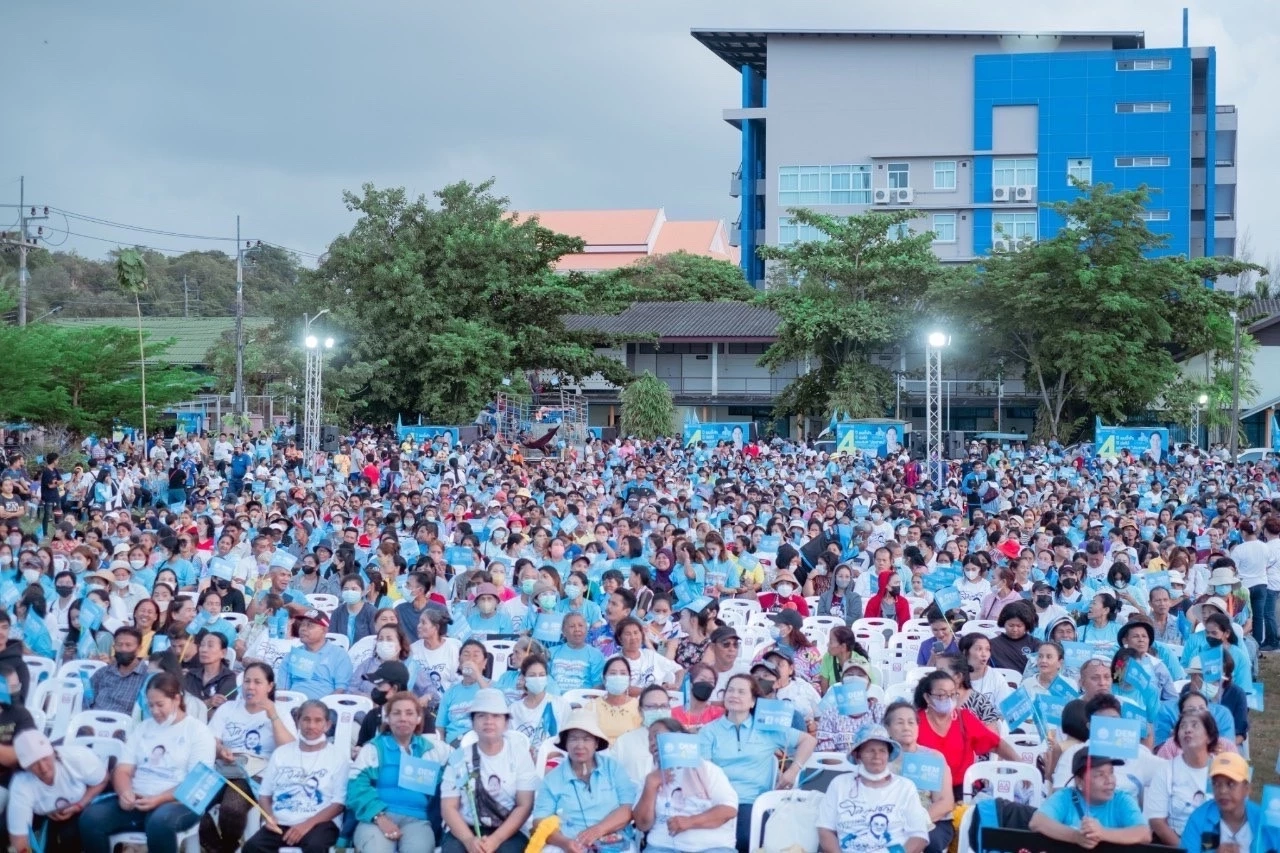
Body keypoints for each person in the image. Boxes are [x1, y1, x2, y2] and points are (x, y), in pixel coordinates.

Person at [79, 672, 215, 853]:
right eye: (150, 705)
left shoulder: (197, 731)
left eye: (160, 704)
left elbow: (195, 783)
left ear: (176, 699)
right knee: (91, 818)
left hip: (178, 802)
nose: (154, 711)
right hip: (138, 797)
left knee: (159, 823)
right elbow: (123, 770)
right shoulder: (143, 728)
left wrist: (159, 799)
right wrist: (124, 792)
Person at [698, 672, 816, 850]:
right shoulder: (709, 731)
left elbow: (809, 740)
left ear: (753, 701)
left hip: (752, 801)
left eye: (741, 692)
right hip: (718, 800)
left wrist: (792, 771)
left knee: (744, 838)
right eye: (730, 690)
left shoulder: (767, 728)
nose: (734, 695)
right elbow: (703, 772)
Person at [203, 662, 297, 853]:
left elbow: (289, 750)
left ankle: (227, 847)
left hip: (256, 773)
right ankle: (217, 847)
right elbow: (211, 739)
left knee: (232, 808)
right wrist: (220, 749)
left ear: (269, 686)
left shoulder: (280, 712)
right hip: (223, 767)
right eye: (246, 681)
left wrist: (273, 716)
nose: (250, 687)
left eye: (257, 682)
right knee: (188, 801)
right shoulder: (229, 708)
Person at [348, 690, 452, 853]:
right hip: (377, 818)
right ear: (387, 719)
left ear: (418, 719)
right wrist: (379, 817)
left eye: (409, 713)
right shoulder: (373, 748)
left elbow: (465, 761)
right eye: (396, 713)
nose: (403, 718)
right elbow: (356, 786)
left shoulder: (433, 749)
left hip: (418, 821)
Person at [240, 698, 348, 853]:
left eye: (318, 721)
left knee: (314, 847)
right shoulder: (282, 753)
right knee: (252, 847)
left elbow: (338, 804)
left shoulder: (337, 756)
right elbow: (264, 795)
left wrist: (306, 826)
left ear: (327, 725)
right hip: (280, 821)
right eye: (306, 719)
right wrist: (269, 817)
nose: (311, 726)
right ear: (298, 721)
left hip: (320, 823)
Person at [440, 688, 536, 853]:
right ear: (473, 722)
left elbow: (524, 805)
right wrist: (469, 840)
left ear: (506, 723)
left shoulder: (519, 756)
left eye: (496, 716)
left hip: (508, 831)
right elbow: (449, 806)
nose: (488, 721)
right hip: (465, 829)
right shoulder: (458, 758)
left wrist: (495, 840)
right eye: (481, 716)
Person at [532, 707, 637, 853]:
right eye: (573, 738)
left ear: (596, 743)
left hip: (613, 841)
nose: (579, 745)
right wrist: (564, 843)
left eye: (586, 739)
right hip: (569, 843)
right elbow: (539, 821)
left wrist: (599, 830)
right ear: (566, 744)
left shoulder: (613, 768)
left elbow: (628, 809)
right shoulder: (552, 779)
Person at [817, 724, 930, 853]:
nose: (877, 756)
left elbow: (919, 836)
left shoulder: (905, 787)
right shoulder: (839, 784)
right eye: (870, 750)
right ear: (857, 755)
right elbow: (825, 830)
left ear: (889, 754)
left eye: (882, 750)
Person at [634, 717, 739, 853]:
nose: (653, 743)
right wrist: (651, 785)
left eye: (657, 736)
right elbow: (642, 825)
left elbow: (728, 810)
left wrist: (690, 821)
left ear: (679, 737)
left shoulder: (709, 770)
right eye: (650, 740)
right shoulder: (650, 776)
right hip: (662, 846)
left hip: (712, 847)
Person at [912, 670, 1018, 800]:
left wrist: (1021, 765)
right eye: (941, 695)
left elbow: (996, 745)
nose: (948, 699)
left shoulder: (964, 718)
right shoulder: (914, 721)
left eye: (952, 694)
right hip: (926, 791)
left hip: (963, 790)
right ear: (927, 697)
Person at [6, 729, 109, 853]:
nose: (43, 768)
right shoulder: (21, 783)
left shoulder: (78, 758)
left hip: (80, 804)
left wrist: (80, 805)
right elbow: (19, 836)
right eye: (33, 763)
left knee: (68, 836)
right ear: (25, 766)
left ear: (52, 752)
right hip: (41, 814)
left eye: (45, 758)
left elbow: (103, 780)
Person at [1029, 750, 1153, 846]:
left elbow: (1144, 833)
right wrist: (1075, 837)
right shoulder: (1065, 797)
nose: (1109, 780)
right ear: (1079, 781)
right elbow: (1037, 822)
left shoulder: (1122, 800)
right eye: (1100, 775)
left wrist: (1102, 833)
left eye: (1111, 772)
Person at [884, 702, 956, 853]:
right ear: (887, 728)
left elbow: (945, 802)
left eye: (911, 722)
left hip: (932, 820)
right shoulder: (881, 760)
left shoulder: (933, 757)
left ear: (917, 727)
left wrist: (915, 823)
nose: (906, 727)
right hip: (890, 820)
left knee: (926, 841)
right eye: (899, 722)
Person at [1180, 752, 1280, 853]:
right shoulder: (1198, 819)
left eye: (1230, 784)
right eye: (1216, 784)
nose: (1222, 791)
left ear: (1247, 789)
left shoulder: (1265, 822)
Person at [1145, 709, 1218, 845]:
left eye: (1194, 725)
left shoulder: (1223, 770)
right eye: (1183, 726)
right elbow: (1157, 821)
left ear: (1210, 736)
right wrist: (1185, 849)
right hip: (1176, 844)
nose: (1187, 730)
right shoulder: (1166, 770)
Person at [278, 609, 352, 700]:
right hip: (293, 708)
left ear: (324, 630)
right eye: (302, 624)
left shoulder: (339, 655)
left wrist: (319, 708)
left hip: (325, 709)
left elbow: (341, 690)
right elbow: (282, 690)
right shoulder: (292, 655)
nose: (303, 629)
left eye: (310, 625)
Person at [506, 654, 570, 753]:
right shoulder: (513, 709)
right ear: (523, 678)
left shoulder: (561, 704)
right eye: (532, 675)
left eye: (541, 675)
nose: (537, 678)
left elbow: (567, 740)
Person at [436, 639, 492, 743]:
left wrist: (477, 676)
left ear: (484, 663)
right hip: (454, 744)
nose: (470, 659)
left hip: (481, 742)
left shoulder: (493, 686)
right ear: (460, 661)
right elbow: (440, 728)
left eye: (476, 655)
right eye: (466, 655)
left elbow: (494, 704)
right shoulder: (450, 693)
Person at [87, 626, 149, 713]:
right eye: (119, 645)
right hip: (93, 722)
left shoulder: (147, 677)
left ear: (139, 649)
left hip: (125, 724)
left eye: (128, 645)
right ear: (114, 647)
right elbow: (86, 700)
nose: (123, 649)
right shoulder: (103, 672)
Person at [585, 656, 643, 744]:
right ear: (604, 679)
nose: (618, 677)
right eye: (613, 673)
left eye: (623, 673)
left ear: (629, 679)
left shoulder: (638, 707)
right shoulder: (591, 707)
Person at [672, 662, 725, 732]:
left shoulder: (719, 714)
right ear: (690, 683)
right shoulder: (673, 714)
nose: (706, 684)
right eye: (702, 680)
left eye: (711, 682)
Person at [329, 574, 377, 646]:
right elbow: (332, 638)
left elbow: (375, 638)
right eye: (346, 589)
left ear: (362, 591)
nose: (349, 592)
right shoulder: (337, 612)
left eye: (354, 589)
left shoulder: (371, 612)